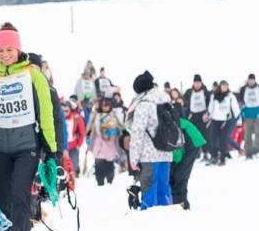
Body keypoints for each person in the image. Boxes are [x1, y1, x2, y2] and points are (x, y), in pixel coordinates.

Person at [0, 25, 60, 231]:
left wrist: (51, 151)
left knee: (20, 194)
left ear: (18, 49)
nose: (4, 55)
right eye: (0, 51)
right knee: (0, 199)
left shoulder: (34, 75)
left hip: (26, 147)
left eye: (9, 50)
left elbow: (46, 114)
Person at [126, 71, 176, 209]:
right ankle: (168, 216)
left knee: (149, 190)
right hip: (166, 153)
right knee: (164, 189)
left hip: (149, 155)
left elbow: (137, 133)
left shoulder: (144, 104)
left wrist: (133, 159)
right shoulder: (165, 101)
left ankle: (147, 219)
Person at [168, 109, 207, 210]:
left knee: (180, 175)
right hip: (182, 141)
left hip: (192, 140)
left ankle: (181, 205)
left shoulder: (165, 128)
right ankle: (177, 203)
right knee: (174, 175)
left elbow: (177, 155)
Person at [88, 97, 125, 186]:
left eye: (108, 105)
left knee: (109, 164)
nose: (106, 107)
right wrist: (89, 139)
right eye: (104, 105)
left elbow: (121, 127)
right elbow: (90, 128)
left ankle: (109, 181)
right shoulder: (96, 115)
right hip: (99, 143)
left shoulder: (114, 115)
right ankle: (100, 182)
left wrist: (117, 131)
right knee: (99, 163)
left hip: (110, 144)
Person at [205, 82, 236, 164]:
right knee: (213, 140)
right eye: (223, 86)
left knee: (223, 140)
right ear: (220, 86)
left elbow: (235, 107)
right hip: (215, 120)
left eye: (226, 86)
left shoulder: (230, 96)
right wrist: (208, 114)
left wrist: (238, 116)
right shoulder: (214, 95)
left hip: (225, 120)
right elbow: (211, 107)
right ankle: (214, 157)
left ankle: (222, 159)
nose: (224, 87)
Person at [240, 74, 259, 158]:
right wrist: (241, 111)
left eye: (252, 80)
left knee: (258, 133)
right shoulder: (243, 89)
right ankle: (248, 152)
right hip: (247, 115)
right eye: (249, 80)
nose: (251, 81)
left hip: (258, 115)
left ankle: (257, 150)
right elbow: (240, 101)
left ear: (254, 80)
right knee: (247, 134)